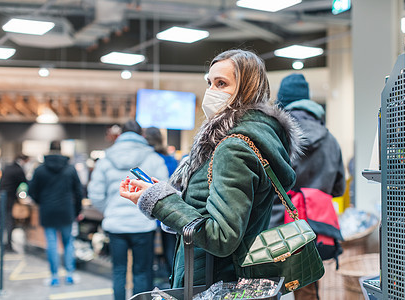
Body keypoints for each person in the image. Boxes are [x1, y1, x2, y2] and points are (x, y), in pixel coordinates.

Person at [120, 49, 303, 289]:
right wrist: (167, 197)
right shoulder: (246, 140)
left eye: (222, 83)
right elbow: (212, 209)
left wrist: (160, 201)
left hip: (214, 283)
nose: (211, 91)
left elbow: (221, 236)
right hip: (232, 279)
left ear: (246, 89)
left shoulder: (233, 148)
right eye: (210, 82)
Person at [271, 73, 346, 300]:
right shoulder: (330, 140)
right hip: (316, 229)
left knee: (265, 287)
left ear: (282, 102)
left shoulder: (277, 134)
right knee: (307, 287)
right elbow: (338, 188)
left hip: (277, 229)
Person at [87, 120, 169, 300]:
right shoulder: (153, 158)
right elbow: (163, 190)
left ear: (120, 135)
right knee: (142, 271)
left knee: (118, 271)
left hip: (115, 225)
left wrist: (109, 210)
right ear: (141, 135)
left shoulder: (106, 159)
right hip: (143, 224)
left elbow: (95, 193)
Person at [28, 141, 83, 287]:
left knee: (52, 243)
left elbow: (31, 191)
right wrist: (77, 211)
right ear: (61, 150)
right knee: (67, 243)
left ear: (49, 149)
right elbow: (78, 192)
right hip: (66, 210)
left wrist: (42, 202)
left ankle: (54, 277)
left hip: (48, 210)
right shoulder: (70, 169)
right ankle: (70, 275)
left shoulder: (40, 169)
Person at [145, 126, 178, 273]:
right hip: (169, 207)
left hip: (149, 208)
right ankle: (171, 279)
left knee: (147, 251)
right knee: (170, 247)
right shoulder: (170, 159)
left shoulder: (148, 159)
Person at [0, 154, 29, 253]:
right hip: (8, 198)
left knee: (3, 220)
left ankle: (3, 242)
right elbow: (25, 182)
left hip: (2, 197)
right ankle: (7, 244)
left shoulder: (8, 167)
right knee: (8, 221)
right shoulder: (18, 170)